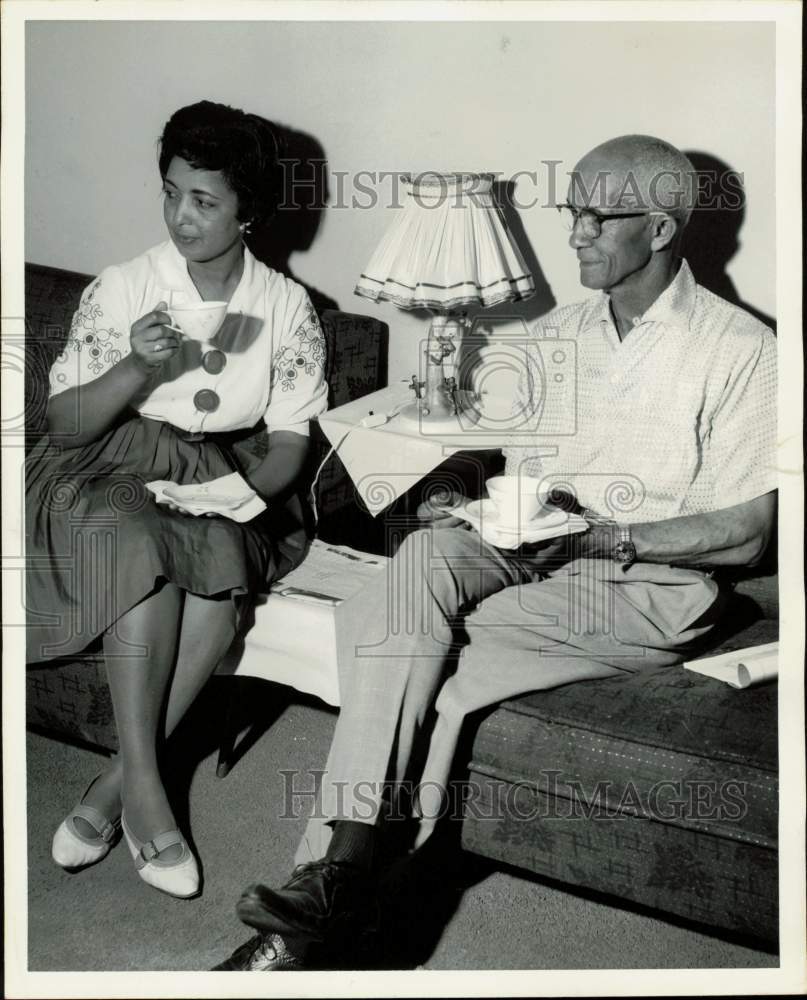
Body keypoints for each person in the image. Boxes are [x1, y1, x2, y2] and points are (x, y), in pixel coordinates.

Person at [216, 134, 777, 969]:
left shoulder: (741, 350)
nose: (576, 233)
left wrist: (603, 535)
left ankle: (324, 902)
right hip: (539, 543)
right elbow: (514, 461)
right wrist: (469, 502)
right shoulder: (563, 330)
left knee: (416, 656)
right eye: (572, 211)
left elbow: (747, 532)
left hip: (649, 580)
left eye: (595, 215)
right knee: (417, 563)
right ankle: (341, 897)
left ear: (659, 230)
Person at [26, 100, 327, 899]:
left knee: (220, 599)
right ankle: (151, 799)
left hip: (215, 473)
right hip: (100, 465)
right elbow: (62, 426)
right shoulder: (126, 286)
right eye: (170, 192)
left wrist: (240, 491)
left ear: (249, 211)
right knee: (140, 545)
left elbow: (292, 438)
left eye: (203, 200)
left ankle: (111, 786)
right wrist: (135, 368)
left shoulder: (284, 308)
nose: (180, 216)